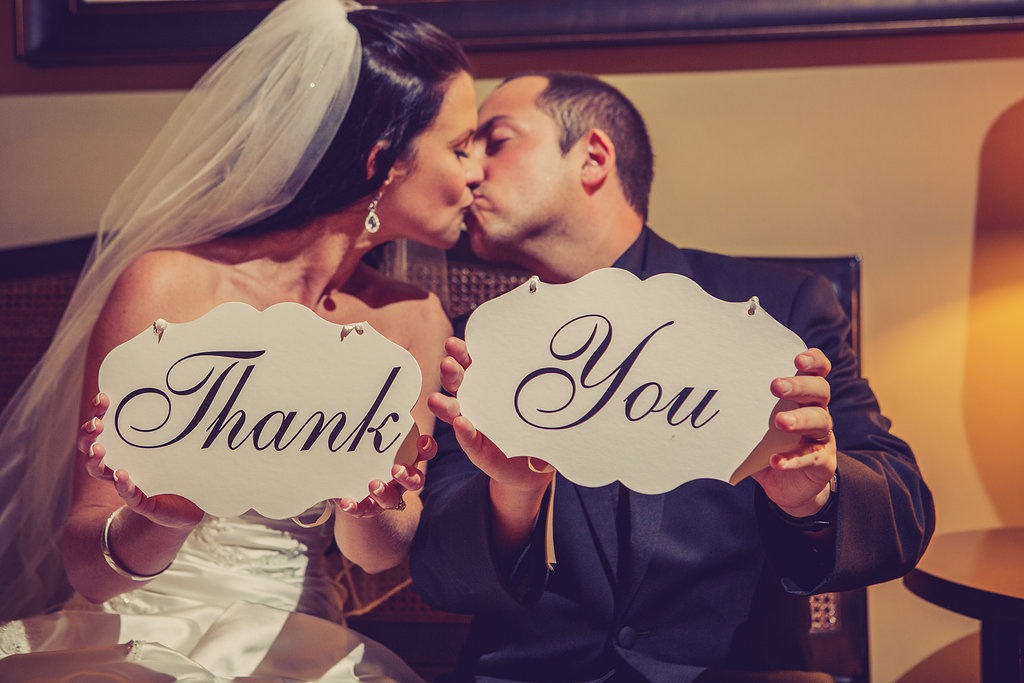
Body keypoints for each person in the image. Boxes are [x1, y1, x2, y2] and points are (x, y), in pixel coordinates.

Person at [0, 1, 480, 680]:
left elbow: (377, 555)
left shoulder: (415, 319)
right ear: (382, 162)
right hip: (136, 629)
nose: (477, 173)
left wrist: (374, 507)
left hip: (302, 644)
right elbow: (89, 565)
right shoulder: (168, 285)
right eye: (461, 147)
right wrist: (159, 520)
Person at [411, 71, 936, 682]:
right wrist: (513, 497)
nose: (470, 169)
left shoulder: (776, 309)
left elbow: (905, 517)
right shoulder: (478, 340)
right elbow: (439, 576)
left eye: (496, 140)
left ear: (593, 158)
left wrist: (815, 497)